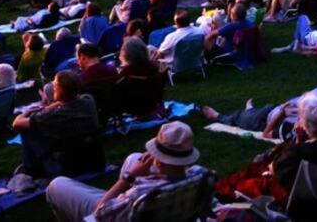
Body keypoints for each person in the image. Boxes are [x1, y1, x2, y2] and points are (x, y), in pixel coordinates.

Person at [46, 121, 203, 222]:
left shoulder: (140, 196)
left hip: (117, 213)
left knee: (56, 185)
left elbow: (97, 214)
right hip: (171, 209)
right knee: (135, 158)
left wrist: (128, 178)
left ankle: (116, 200)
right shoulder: (201, 174)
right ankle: (118, 199)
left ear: (159, 161)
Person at [11, 70, 101, 178]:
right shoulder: (88, 100)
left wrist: (27, 112)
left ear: (60, 89)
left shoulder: (52, 117)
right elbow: (68, 102)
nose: (53, 87)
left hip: (65, 167)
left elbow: (16, 123)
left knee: (27, 129)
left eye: (54, 85)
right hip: (93, 159)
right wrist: (48, 107)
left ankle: (30, 168)